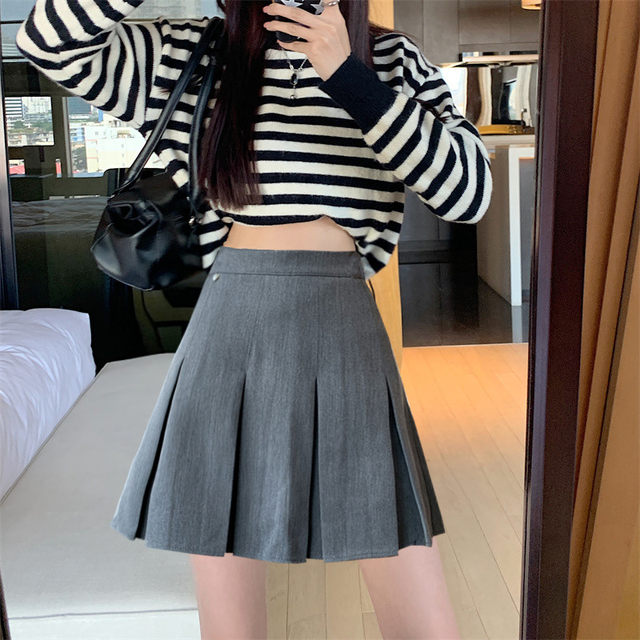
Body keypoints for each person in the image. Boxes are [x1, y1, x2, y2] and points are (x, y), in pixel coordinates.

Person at [16, 0, 492, 637]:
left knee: (422, 620)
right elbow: (48, 43)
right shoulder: (192, 54)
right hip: (229, 327)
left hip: (343, 324)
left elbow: (469, 195)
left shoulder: (390, 59)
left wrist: (347, 74)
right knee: (231, 624)